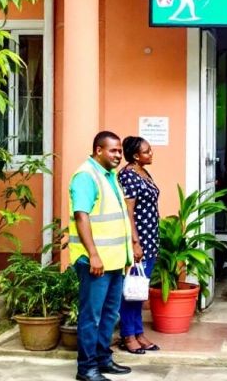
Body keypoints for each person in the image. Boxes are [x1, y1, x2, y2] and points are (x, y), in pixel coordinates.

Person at [69, 131, 134, 381]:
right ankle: (86, 368)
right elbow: (81, 216)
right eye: (113, 150)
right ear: (98, 150)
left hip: (115, 261)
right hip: (95, 262)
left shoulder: (110, 176)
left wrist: (127, 254)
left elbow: (117, 219)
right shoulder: (86, 176)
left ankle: (103, 360)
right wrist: (93, 255)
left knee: (109, 314)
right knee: (91, 316)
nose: (118, 155)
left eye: (119, 150)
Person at [117, 136, 161, 355]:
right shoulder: (128, 176)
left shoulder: (143, 172)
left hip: (150, 240)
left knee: (139, 290)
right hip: (139, 240)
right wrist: (135, 242)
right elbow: (128, 212)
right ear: (135, 156)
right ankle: (128, 335)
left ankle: (138, 331)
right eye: (147, 151)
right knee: (132, 289)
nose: (151, 153)